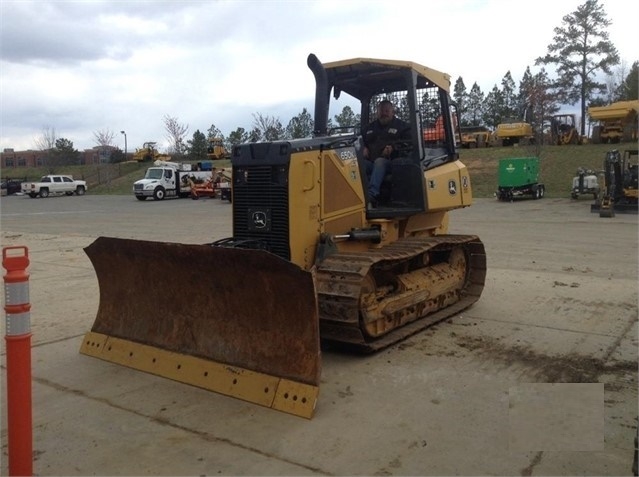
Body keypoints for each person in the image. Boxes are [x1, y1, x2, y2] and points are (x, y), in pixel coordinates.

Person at [362, 100, 411, 207]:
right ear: (377, 112)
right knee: (359, 164)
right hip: (371, 163)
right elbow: (361, 140)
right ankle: (359, 192)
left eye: (387, 110)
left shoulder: (403, 127)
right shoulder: (369, 128)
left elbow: (409, 143)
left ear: (393, 112)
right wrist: (363, 147)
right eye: (381, 111)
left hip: (393, 164)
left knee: (380, 162)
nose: (384, 113)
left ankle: (371, 195)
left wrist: (393, 147)